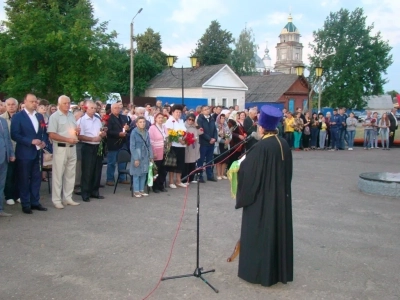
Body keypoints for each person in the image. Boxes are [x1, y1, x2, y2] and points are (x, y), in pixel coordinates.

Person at [236, 105, 293, 287]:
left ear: (261, 128)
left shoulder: (261, 147)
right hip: (279, 198)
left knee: (259, 234)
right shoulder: (283, 143)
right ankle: (276, 272)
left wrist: (238, 169)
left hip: (262, 201)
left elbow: (249, 173)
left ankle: (258, 273)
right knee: (276, 232)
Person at [10, 93, 48, 214]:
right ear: (25, 102)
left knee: (37, 178)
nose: (35, 104)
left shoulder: (39, 116)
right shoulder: (18, 117)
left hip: (38, 152)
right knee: (24, 178)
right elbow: (15, 134)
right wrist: (30, 141)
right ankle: (25, 203)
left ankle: (35, 201)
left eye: (36, 102)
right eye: (32, 101)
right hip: (24, 152)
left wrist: (44, 142)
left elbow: (44, 132)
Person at [47, 95, 80, 208]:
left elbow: (73, 131)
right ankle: (56, 200)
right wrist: (67, 139)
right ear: (59, 104)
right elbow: (52, 134)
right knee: (58, 174)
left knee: (70, 174)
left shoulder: (71, 116)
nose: (67, 105)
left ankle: (68, 197)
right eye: (64, 103)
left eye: (68, 103)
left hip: (72, 147)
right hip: (61, 147)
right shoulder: (54, 117)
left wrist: (77, 132)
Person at [78, 101, 106, 202]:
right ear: (86, 108)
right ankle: (85, 192)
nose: (94, 110)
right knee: (87, 170)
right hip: (88, 145)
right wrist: (92, 139)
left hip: (97, 146)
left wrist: (102, 134)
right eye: (92, 108)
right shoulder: (82, 120)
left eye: (95, 108)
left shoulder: (97, 119)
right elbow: (79, 136)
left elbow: (100, 131)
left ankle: (95, 191)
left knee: (97, 169)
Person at [106, 103, 130, 186]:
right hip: (113, 142)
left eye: (118, 108)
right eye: (115, 108)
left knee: (122, 162)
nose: (117, 109)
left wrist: (127, 129)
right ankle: (110, 179)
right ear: (112, 109)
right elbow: (108, 131)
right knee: (112, 162)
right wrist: (118, 134)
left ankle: (122, 178)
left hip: (122, 142)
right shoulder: (109, 118)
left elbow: (128, 127)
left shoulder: (123, 117)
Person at [165, 105, 188, 188]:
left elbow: (185, 132)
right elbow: (169, 133)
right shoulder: (170, 121)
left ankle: (178, 180)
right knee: (173, 164)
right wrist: (179, 140)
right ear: (172, 112)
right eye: (176, 112)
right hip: (174, 145)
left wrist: (185, 139)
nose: (178, 114)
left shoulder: (181, 121)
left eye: (180, 112)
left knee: (180, 164)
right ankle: (171, 181)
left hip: (182, 146)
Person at [130, 116, 153, 197]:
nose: (142, 123)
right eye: (140, 122)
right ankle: (136, 191)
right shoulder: (134, 132)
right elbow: (132, 146)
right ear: (136, 124)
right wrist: (136, 158)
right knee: (136, 173)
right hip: (137, 154)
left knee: (143, 173)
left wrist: (151, 156)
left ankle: (141, 190)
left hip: (145, 155)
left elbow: (149, 145)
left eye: (143, 122)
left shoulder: (147, 132)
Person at [2, 98, 19, 206]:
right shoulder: (2, 119)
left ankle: (18, 195)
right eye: (9, 104)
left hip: (21, 149)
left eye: (13, 104)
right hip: (8, 150)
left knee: (19, 174)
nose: (11, 106)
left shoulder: (21, 117)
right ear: (5, 106)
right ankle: (9, 195)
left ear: (17, 106)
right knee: (9, 174)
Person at [196, 105, 218, 183]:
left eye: (208, 109)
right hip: (203, 143)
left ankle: (210, 175)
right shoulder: (200, 119)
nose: (207, 111)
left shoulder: (212, 118)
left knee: (209, 160)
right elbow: (201, 131)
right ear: (202, 111)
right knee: (201, 160)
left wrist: (215, 138)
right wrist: (209, 139)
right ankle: (200, 175)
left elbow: (215, 130)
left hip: (211, 143)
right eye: (205, 110)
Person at [0, 114, 16, 217]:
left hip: (4, 157)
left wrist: (11, 153)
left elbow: (7, 139)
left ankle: (0, 209)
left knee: (1, 185)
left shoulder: (3, 121)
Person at [148, 113, 168, 193]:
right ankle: (155, 186)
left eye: (162, 118)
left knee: (163, 170)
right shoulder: (152, 128)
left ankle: (161, 185)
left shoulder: (164, 127)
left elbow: (167, 137)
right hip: (157, 151)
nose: (160, 119)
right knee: (156, 170)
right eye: (159, 118)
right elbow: (151, 141)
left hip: (164, 151)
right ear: (155, 119)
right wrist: (154, 152)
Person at [182, 113, 201, 184]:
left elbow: (201, 132)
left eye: (192, 120)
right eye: (189, 119)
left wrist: (197, 125)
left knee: (193, 162)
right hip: (187, 145)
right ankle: (184, 179)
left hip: (194, 146)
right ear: (186, 119)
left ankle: (191, 178)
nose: (190, 121)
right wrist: (190, 139)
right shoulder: (184, 126)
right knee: (186, 163)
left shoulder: (194, 126)